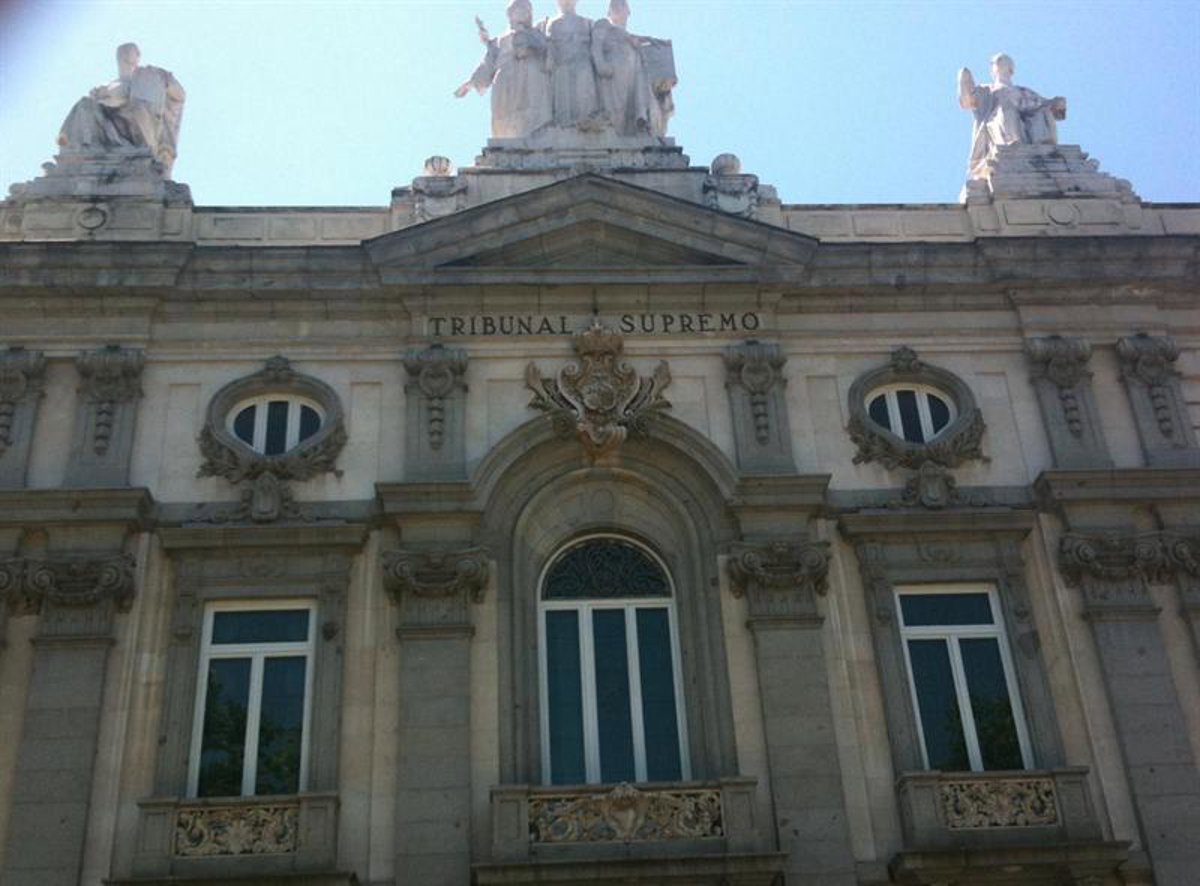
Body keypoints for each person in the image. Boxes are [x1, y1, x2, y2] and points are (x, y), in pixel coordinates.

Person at [58, 43, 186, 176]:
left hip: (137, 128)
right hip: (108, 123)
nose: (130, 54)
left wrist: (166, 79)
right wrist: (100, 95)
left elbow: (180, 95)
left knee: (135, 108)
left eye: (133, 51)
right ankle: (74, 150)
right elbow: (106, 102)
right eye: (125, 51)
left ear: (138, 58)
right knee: (84, 104)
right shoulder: (109, 85)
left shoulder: (147, 77)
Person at [958, 53, 1066, 180]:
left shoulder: (1023, 91)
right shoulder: (986, 89)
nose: (999, 63)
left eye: (1003, 60)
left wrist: (1055, 103)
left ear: (1011, 69)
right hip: (997, 123)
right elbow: (968, 101)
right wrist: (965, 82)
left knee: (1042, 112)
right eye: (996, 61)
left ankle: (1045, 147)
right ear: (992, 70)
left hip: (1027, 125)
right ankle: (1013, 144)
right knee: (1007, 109)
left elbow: (1044, 105)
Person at [455, 0, 552, 139]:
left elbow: (547, 52)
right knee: (505, 115)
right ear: (510, 14)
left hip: (531, 75)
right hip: (505, 79)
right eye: (519, 9)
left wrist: (530, 47)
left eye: (527, 10)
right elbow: (487, 63)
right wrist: (471, 83)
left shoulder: (537, 34)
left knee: (533, 109)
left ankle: (536, 136)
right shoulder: (500, 40)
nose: (523, 12)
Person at [591, 0, 658, 137]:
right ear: (609, 12)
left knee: (630, 105)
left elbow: (632, 38)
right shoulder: (603, 24)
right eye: (614, 6)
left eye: (622, 5)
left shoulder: (627, 35)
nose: (618, 8)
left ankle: (634, 127)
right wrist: (601, 64)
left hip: (633, 71)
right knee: (616, 105)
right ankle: (616, 133)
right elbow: (596, 46)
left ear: (628, 12)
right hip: (614, 68)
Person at [540, 0, 602, 129]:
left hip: (583, 63)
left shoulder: (587, 22)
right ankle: (563, 125)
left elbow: (598, 44)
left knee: (585, 95)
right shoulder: (550, 23)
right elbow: (547, 44)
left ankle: (587, 122)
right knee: (563, 98)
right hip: (561, 64)